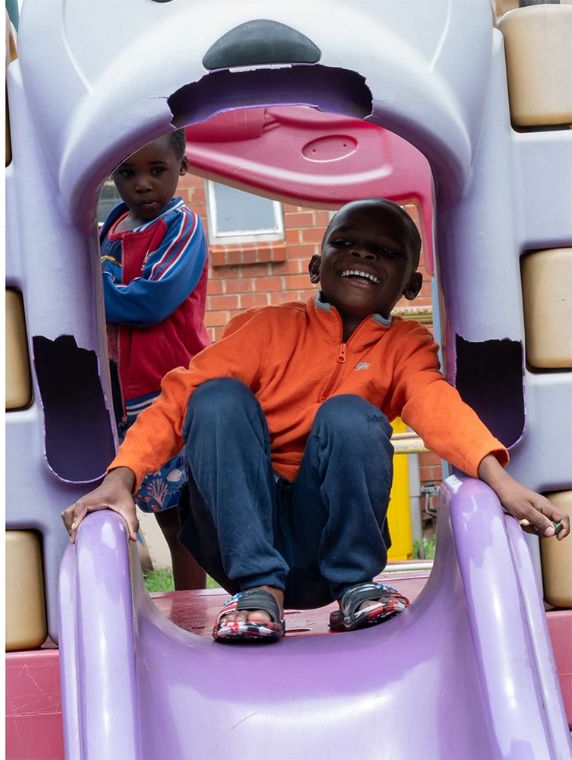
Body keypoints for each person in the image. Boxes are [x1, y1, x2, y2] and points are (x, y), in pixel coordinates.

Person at [64, 198, 569, 643]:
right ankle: (259, 592)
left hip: (324, 538)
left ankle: (355, 585)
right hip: (240, 537)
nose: (364, 255)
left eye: (387, 252)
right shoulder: (269, 329)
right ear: (314, 266)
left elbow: (437, 405)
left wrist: (498, 479)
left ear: (412, 284)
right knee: (215, 396)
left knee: (351, 414)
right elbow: (178, 396)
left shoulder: (405, 349)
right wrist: (121, 479)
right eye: (345, 242)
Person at [100, 130, 209, 590]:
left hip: (168, 388)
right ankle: (132, 603)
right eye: (128, 173)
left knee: (180, 520)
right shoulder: (113, 225)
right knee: (130, 507)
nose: (143, 184)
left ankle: (190, 611)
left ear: (181, 167)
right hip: (119, 393)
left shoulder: (183, 226)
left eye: (157, 171)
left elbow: (150, 301)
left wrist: (87, 289)